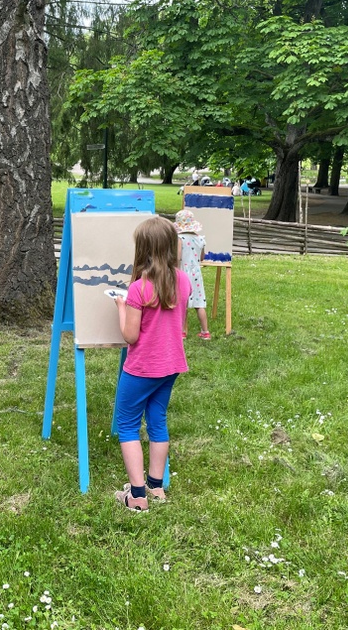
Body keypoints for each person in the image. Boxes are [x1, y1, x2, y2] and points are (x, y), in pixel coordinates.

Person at [111, 217, 191, 511]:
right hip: (171, 367)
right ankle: (156, 488)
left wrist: (122, 307)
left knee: (128, 425)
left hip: (142, 368)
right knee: (157, 420)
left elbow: (130, 335)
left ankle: (137, 497)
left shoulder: (138, 289)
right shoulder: (183, 280)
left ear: (142, 249)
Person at [175, 210, 210, 340]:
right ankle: (205, 332)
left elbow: (178, 257)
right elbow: (202, 256)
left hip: (183, 273)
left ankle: (182, 332)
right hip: (196, 273)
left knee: (182, 302)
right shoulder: (200, 239)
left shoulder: (180, 239)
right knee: (199, 302)